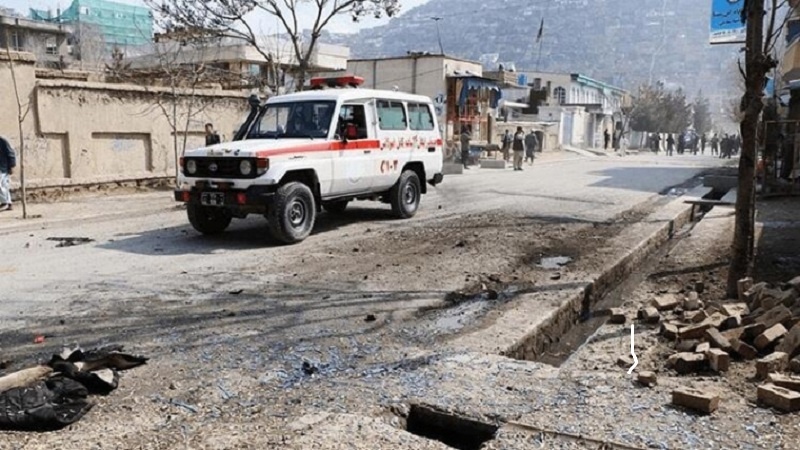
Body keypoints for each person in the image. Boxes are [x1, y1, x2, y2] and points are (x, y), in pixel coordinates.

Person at [0, 136, 16, 212]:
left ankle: (4, 202)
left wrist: (12, 166)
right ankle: (9, 203)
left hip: (2, 167)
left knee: (1, 185)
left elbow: (11, 154)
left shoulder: (3, 141)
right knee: (4, 185)